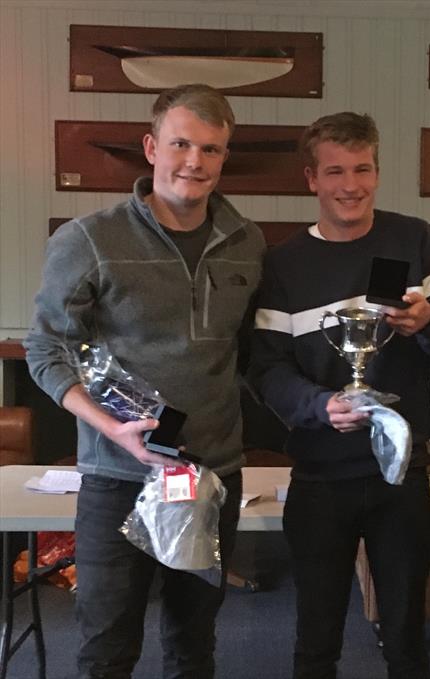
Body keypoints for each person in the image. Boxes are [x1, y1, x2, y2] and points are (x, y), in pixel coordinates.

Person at [24, 83, 264, 678]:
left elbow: (253, 353)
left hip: (209, 477)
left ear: (224, 156)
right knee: (107, 649)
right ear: (151, 147)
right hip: (116, 475)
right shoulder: (88, 239)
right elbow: (45, 348)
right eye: (182, 144)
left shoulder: (247, 243)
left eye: (211, 149)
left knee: (193, 645)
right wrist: (112, 428)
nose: (195, 162)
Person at [247, 111, 430, 679]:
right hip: (320, 475)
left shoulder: (413, 238)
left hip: (401, 475)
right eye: (336, 171)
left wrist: (427, 326)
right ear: (311, 179)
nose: (351, 184)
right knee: (316, 638)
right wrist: (319, 406)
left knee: (405, 638)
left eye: (363, 169)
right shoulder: (283, 264)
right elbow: (267, 369)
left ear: (377, 171)